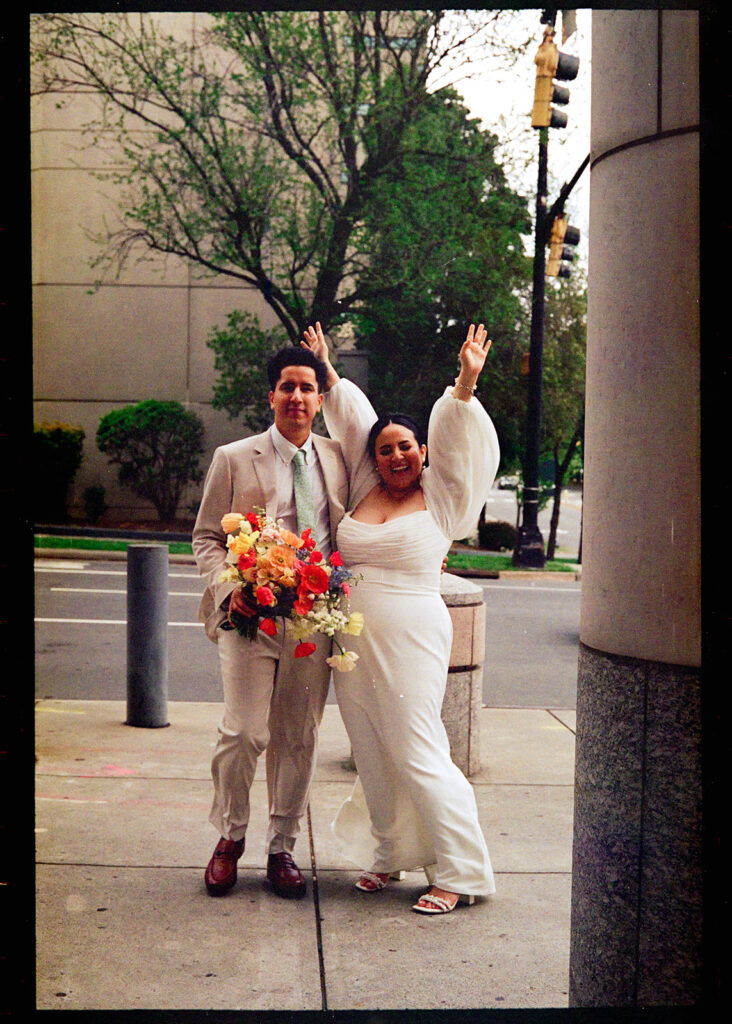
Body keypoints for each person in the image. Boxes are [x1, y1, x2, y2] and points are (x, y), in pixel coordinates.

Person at [302, 320, 500, 915]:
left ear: (424, 453)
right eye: (386, 449)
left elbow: (458, 439)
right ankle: (388, 854)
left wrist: (465, 383)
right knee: (371, 746)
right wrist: (329, 370)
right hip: (350, 637)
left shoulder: (441, 495)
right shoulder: (363, 484)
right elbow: (353, 416)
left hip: (413, 632)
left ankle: (461, 870)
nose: (394, 455)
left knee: (416, 746)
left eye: (406, 447)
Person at [192, 346, 349, 899]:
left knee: (298, 738)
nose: (297, 397)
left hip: (313, 621)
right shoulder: (235, 458)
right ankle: (229, 837)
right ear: (272, 395)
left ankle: (281, 846)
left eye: (308, 388)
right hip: (249, 619)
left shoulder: (338, 457)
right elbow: (207, 536)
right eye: (288, 386)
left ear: (320, 398)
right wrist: (231, 588)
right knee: (243, 733)